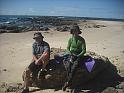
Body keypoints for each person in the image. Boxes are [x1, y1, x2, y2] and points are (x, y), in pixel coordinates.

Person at [62, 25, 86, 91]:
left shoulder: (81, 40)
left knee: (74, 68)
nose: (75, 32)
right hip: (71, 55)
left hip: (78, 56)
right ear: (72, 32)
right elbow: (67, 48)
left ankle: (67, 83)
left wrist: (78, 56)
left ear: (78, 31)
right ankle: (68, 82)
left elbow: (84, 50)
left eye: (76, 31)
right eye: (73, 31)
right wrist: (70, 53)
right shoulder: (70, 39)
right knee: (68, 67)